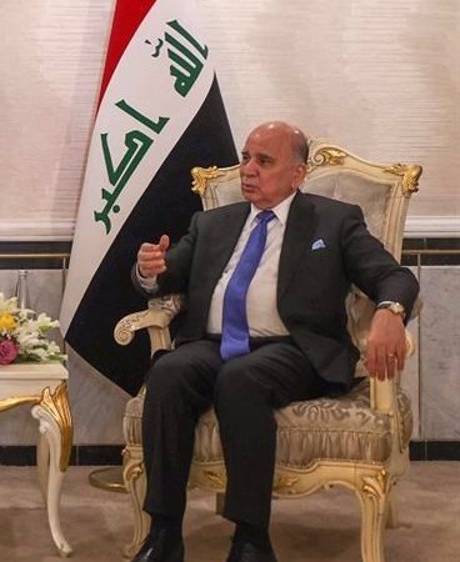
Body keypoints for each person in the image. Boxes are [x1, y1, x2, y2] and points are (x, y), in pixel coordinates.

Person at [129, 121, 419, 562]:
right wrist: (149, 269)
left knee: (241, 378)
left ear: (298, 174)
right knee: (168, 372)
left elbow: (393, 276)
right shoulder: (211, 223)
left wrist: (390, 311)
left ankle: (251, 539)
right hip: (214, 344)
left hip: (294, 350)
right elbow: (167, 275)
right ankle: (164, 533)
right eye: (246, 157)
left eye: (264, 161)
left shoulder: (334, 220)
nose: (248, 169)